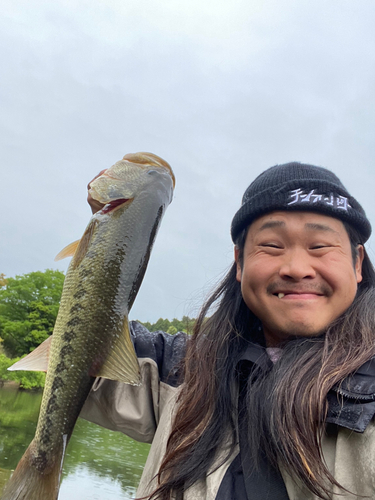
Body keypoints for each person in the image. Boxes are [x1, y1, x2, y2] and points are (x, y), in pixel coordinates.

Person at [81, 162, 375, 500]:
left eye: (320, 245)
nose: (296, 268)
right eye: (272, 245)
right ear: (240, 261)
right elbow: (74, 353)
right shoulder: (183, 368)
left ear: (356, 263)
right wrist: (111, 235)